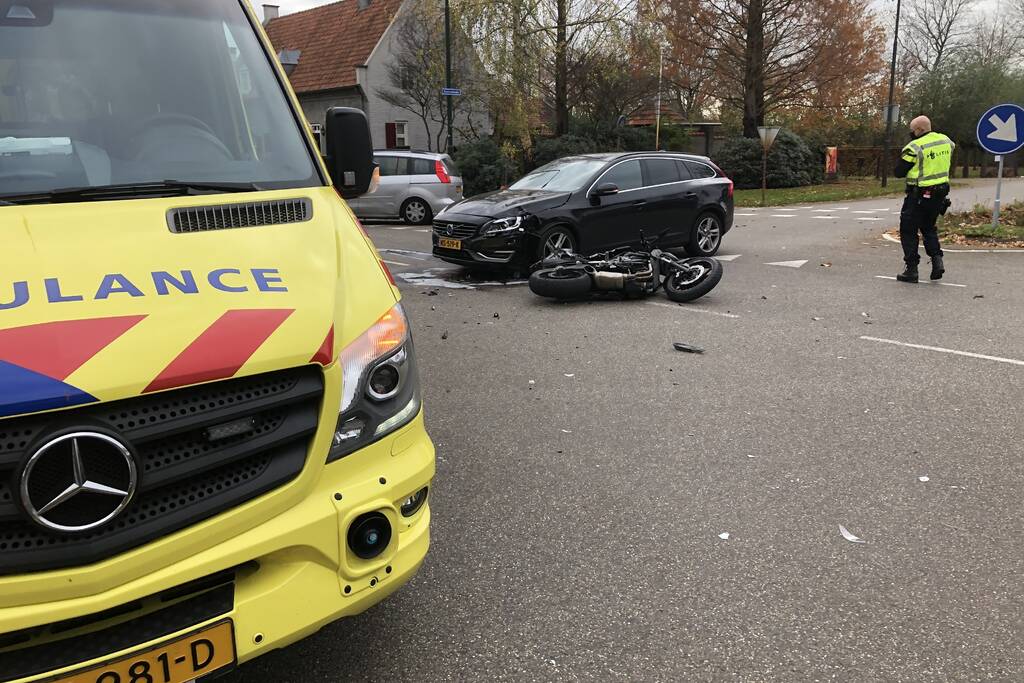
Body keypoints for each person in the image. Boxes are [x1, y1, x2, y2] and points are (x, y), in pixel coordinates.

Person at [893, 115, 954, 283]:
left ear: (919, 130)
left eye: (912, 131)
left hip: (918, 194)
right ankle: (937, 261)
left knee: (908, 230)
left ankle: (911, 270)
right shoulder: (945, 140)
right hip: (940, 193)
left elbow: (899, 171)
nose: (911, 134)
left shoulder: (914, 147)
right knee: (928, 227)